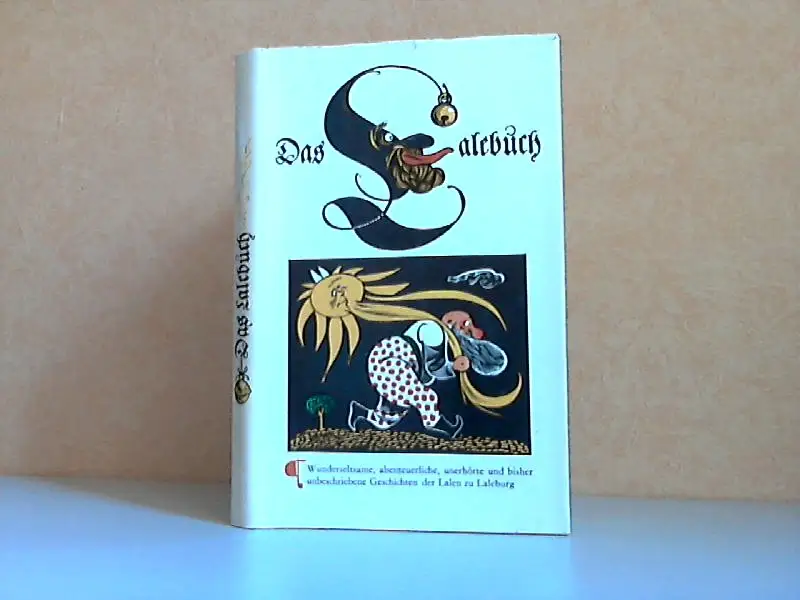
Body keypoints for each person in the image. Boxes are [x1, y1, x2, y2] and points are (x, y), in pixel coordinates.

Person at [347, 310, 509, 438]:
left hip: (394, 368)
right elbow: (433, 367)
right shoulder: (434, 330)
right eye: (466, 324)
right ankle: (444, 428)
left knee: (390, 415)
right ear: (450, 320)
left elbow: (431, 369)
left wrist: (452, 367)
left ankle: (360, 412)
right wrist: (453, 367)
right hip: (391, 360)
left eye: (468, 332)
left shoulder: (441, 340)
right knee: (426, 397)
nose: (464, 329)